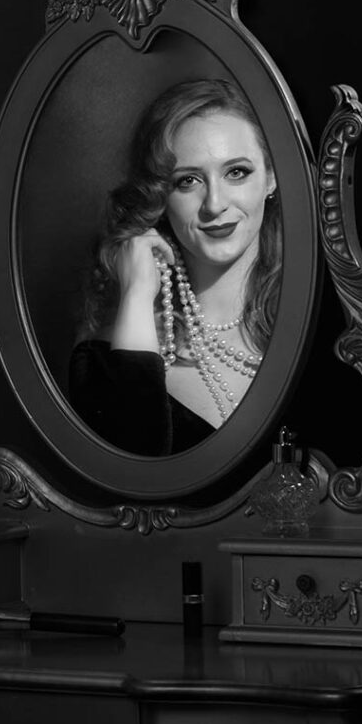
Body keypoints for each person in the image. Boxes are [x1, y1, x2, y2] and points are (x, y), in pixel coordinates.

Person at [69, 78, 280, 456]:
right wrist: (136, 296)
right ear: (160, 197)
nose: (214, 204)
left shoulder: (313, 333)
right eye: (188, 181)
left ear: (272, 177)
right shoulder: (103, 361)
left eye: (236, 172)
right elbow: (135, 493)